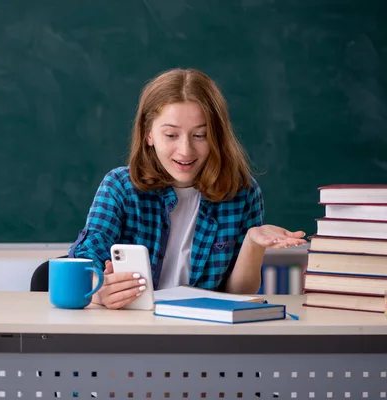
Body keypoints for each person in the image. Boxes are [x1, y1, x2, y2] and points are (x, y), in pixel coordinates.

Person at [68, 68, 306, 309]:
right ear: (148, 134)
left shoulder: (242, 193)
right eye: (171, 135)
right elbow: (85, 260)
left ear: (217, 136)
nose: (186, 151)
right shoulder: (119, 187)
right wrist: (99, 291)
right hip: (133, 328)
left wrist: (253, 244)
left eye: (200, 135)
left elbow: (238, 293)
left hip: (201, 331)